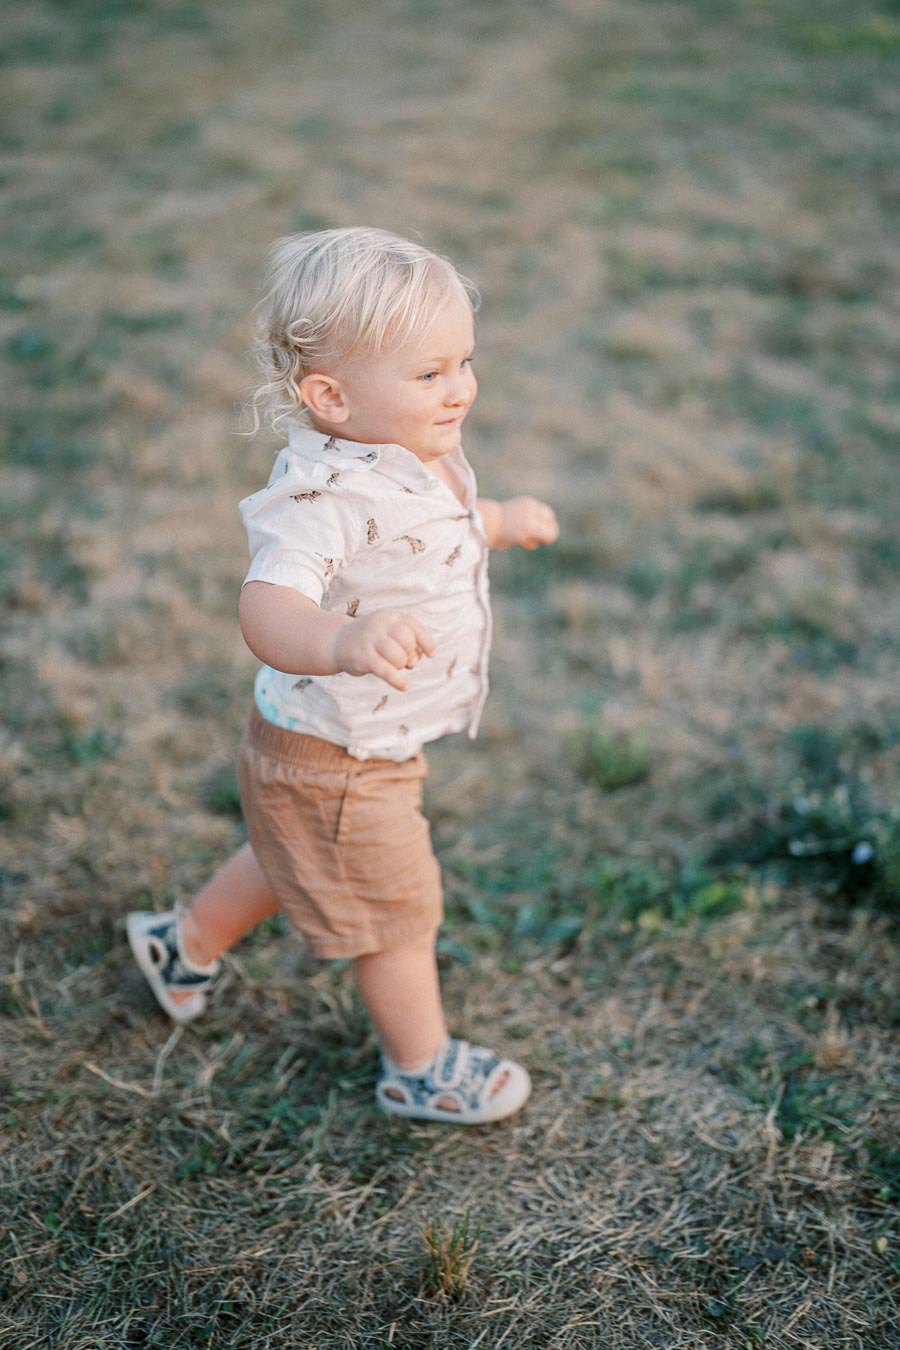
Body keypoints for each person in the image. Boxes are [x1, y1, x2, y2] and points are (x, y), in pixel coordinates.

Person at [127, 227, 559, 1124]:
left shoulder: (411, 450)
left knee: (295, 850)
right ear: (331, 395)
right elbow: (267, 607)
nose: (461, 388)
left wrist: (499, 518)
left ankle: (184, 942)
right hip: (336, 748)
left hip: (344, 747)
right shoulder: (319, 499)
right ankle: (421, 1069)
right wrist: (340, 640)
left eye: (463, 362)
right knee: (396, 912)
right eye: (430, 374)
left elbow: (431, 528)